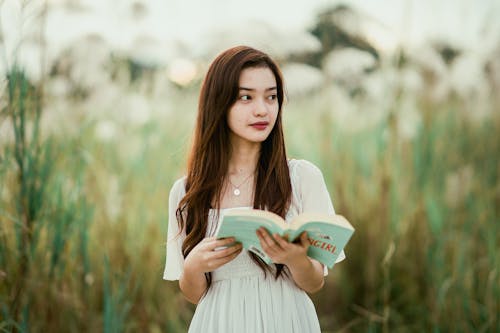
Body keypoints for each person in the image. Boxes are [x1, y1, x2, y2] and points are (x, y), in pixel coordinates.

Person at [163, 45, 345, 332]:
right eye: (246, 97)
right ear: (219, 103)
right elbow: (194, 293)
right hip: (218, 323)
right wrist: (194, 266)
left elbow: (314, 283)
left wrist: (295, 258)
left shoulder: (302, 177)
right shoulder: (188, 191)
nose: (262, 110)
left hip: (287, 320)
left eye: (271, 97)